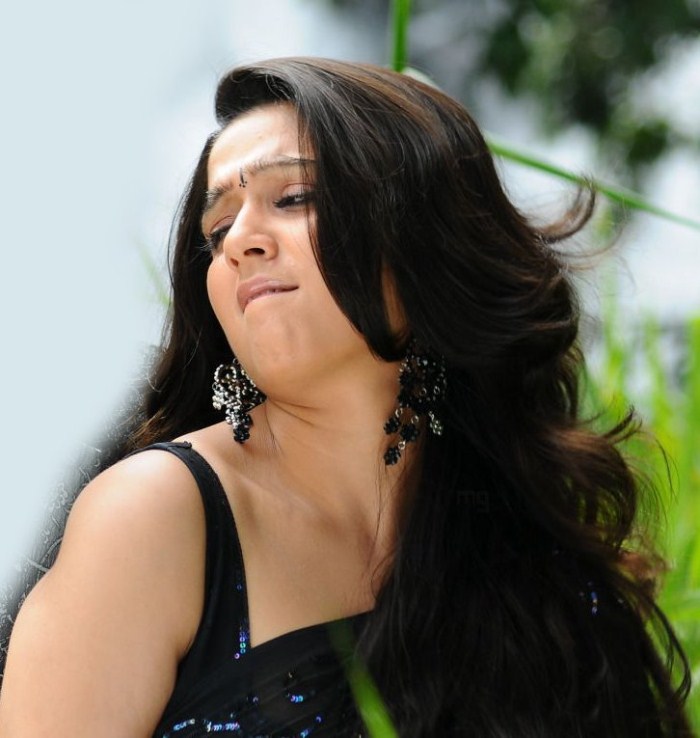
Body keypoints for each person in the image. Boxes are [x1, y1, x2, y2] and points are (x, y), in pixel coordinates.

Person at [0, 57, 693, 737]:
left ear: (424, 234)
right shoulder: (157, 514)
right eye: (217, 231)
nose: (240, 242)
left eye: (293, 197)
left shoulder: (528, 543)